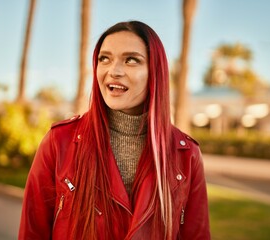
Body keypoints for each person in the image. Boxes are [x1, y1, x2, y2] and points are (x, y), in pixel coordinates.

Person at [18, 20, 210, 240]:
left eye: (131, 60)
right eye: (104, 59)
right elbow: (32, 232)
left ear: (154, 71)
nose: (113, 71)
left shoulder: (187, 154)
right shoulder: (59, 141)